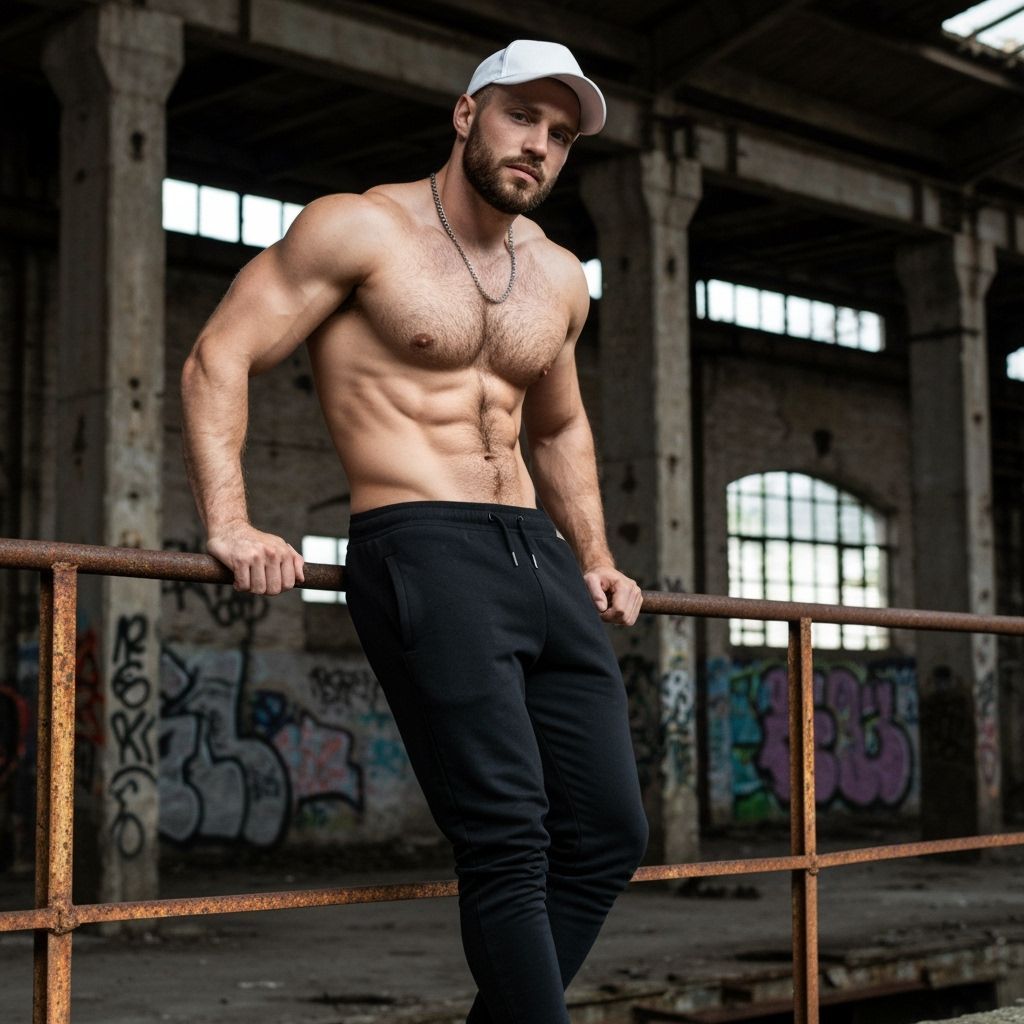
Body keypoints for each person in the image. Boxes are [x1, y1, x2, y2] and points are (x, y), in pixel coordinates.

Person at [180, 38, 649, 1024]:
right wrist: (230, 520)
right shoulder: (360, 230)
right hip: (420, 542)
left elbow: (559, 424)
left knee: (608, 830)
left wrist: (598, 558)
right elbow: (219, 354)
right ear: (466, 112)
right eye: (524, 115)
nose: (541, 146)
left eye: (562, 135)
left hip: (540, 556)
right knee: (508, 836)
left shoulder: (559, 274)